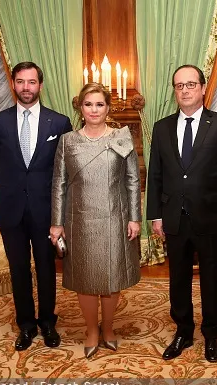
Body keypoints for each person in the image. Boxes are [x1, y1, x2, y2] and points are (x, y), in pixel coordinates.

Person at [147, 64, 217, 363]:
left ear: (203, 88)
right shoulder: (161, 127)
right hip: (173, 216)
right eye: (179, 86)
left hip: (210, 216)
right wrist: (155, 215)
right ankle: (183, 331)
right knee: (178, 277)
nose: (185, 90)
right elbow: (156, 174)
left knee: (212, 277)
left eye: (191, 84)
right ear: (174, 91)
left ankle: (211, 334)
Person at [0, 61, 72, 351]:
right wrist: (15, 185)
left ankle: (47, 321)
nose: (26, 87)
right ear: (13, 84)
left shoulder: (58, 123)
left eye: (31, 82)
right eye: (20, 81)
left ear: (40, 85)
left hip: (45, 210)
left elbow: (63, 168)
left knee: (46, 267)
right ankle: (25, 324)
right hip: (10, 209)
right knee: (18, 268)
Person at [49, 83, 142, 358]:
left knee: (111, 278)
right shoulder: (67, 141)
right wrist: (56, 223)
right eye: (88, 104)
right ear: (80, 107)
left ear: (108, 108)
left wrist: (135, 218)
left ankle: (109, 328)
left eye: (99, 104)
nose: (94, 109)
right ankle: (91, 329)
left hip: (115, 219)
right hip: (80, 221)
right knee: (86, 279)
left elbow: (132, 182)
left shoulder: (122, 137)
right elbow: (59, 184)